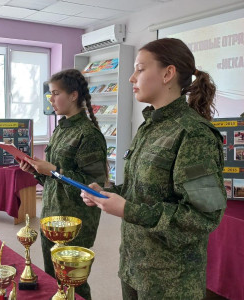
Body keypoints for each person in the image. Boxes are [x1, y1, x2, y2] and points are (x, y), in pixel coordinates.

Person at [81, 38, 227, 300]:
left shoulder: (194, 134)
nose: (131, 78)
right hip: (135, 266)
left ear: (167, 74)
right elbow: (141, 189)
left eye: (140, 68)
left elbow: (204, 216)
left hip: (170, 280)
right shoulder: (150, 126)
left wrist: (127, 210)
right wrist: (106, 193)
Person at [20, 69, 107, 300]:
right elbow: (53, 179)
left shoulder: (89, 134)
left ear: (73, 95)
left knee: (73, 281)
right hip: (51, 213)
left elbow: (94, 186)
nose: (51, 99)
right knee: (53, 277)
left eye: (56, 93)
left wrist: (55, 170)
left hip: (75, 219)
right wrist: (38, 171)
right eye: (50, 94)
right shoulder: (61, 127)